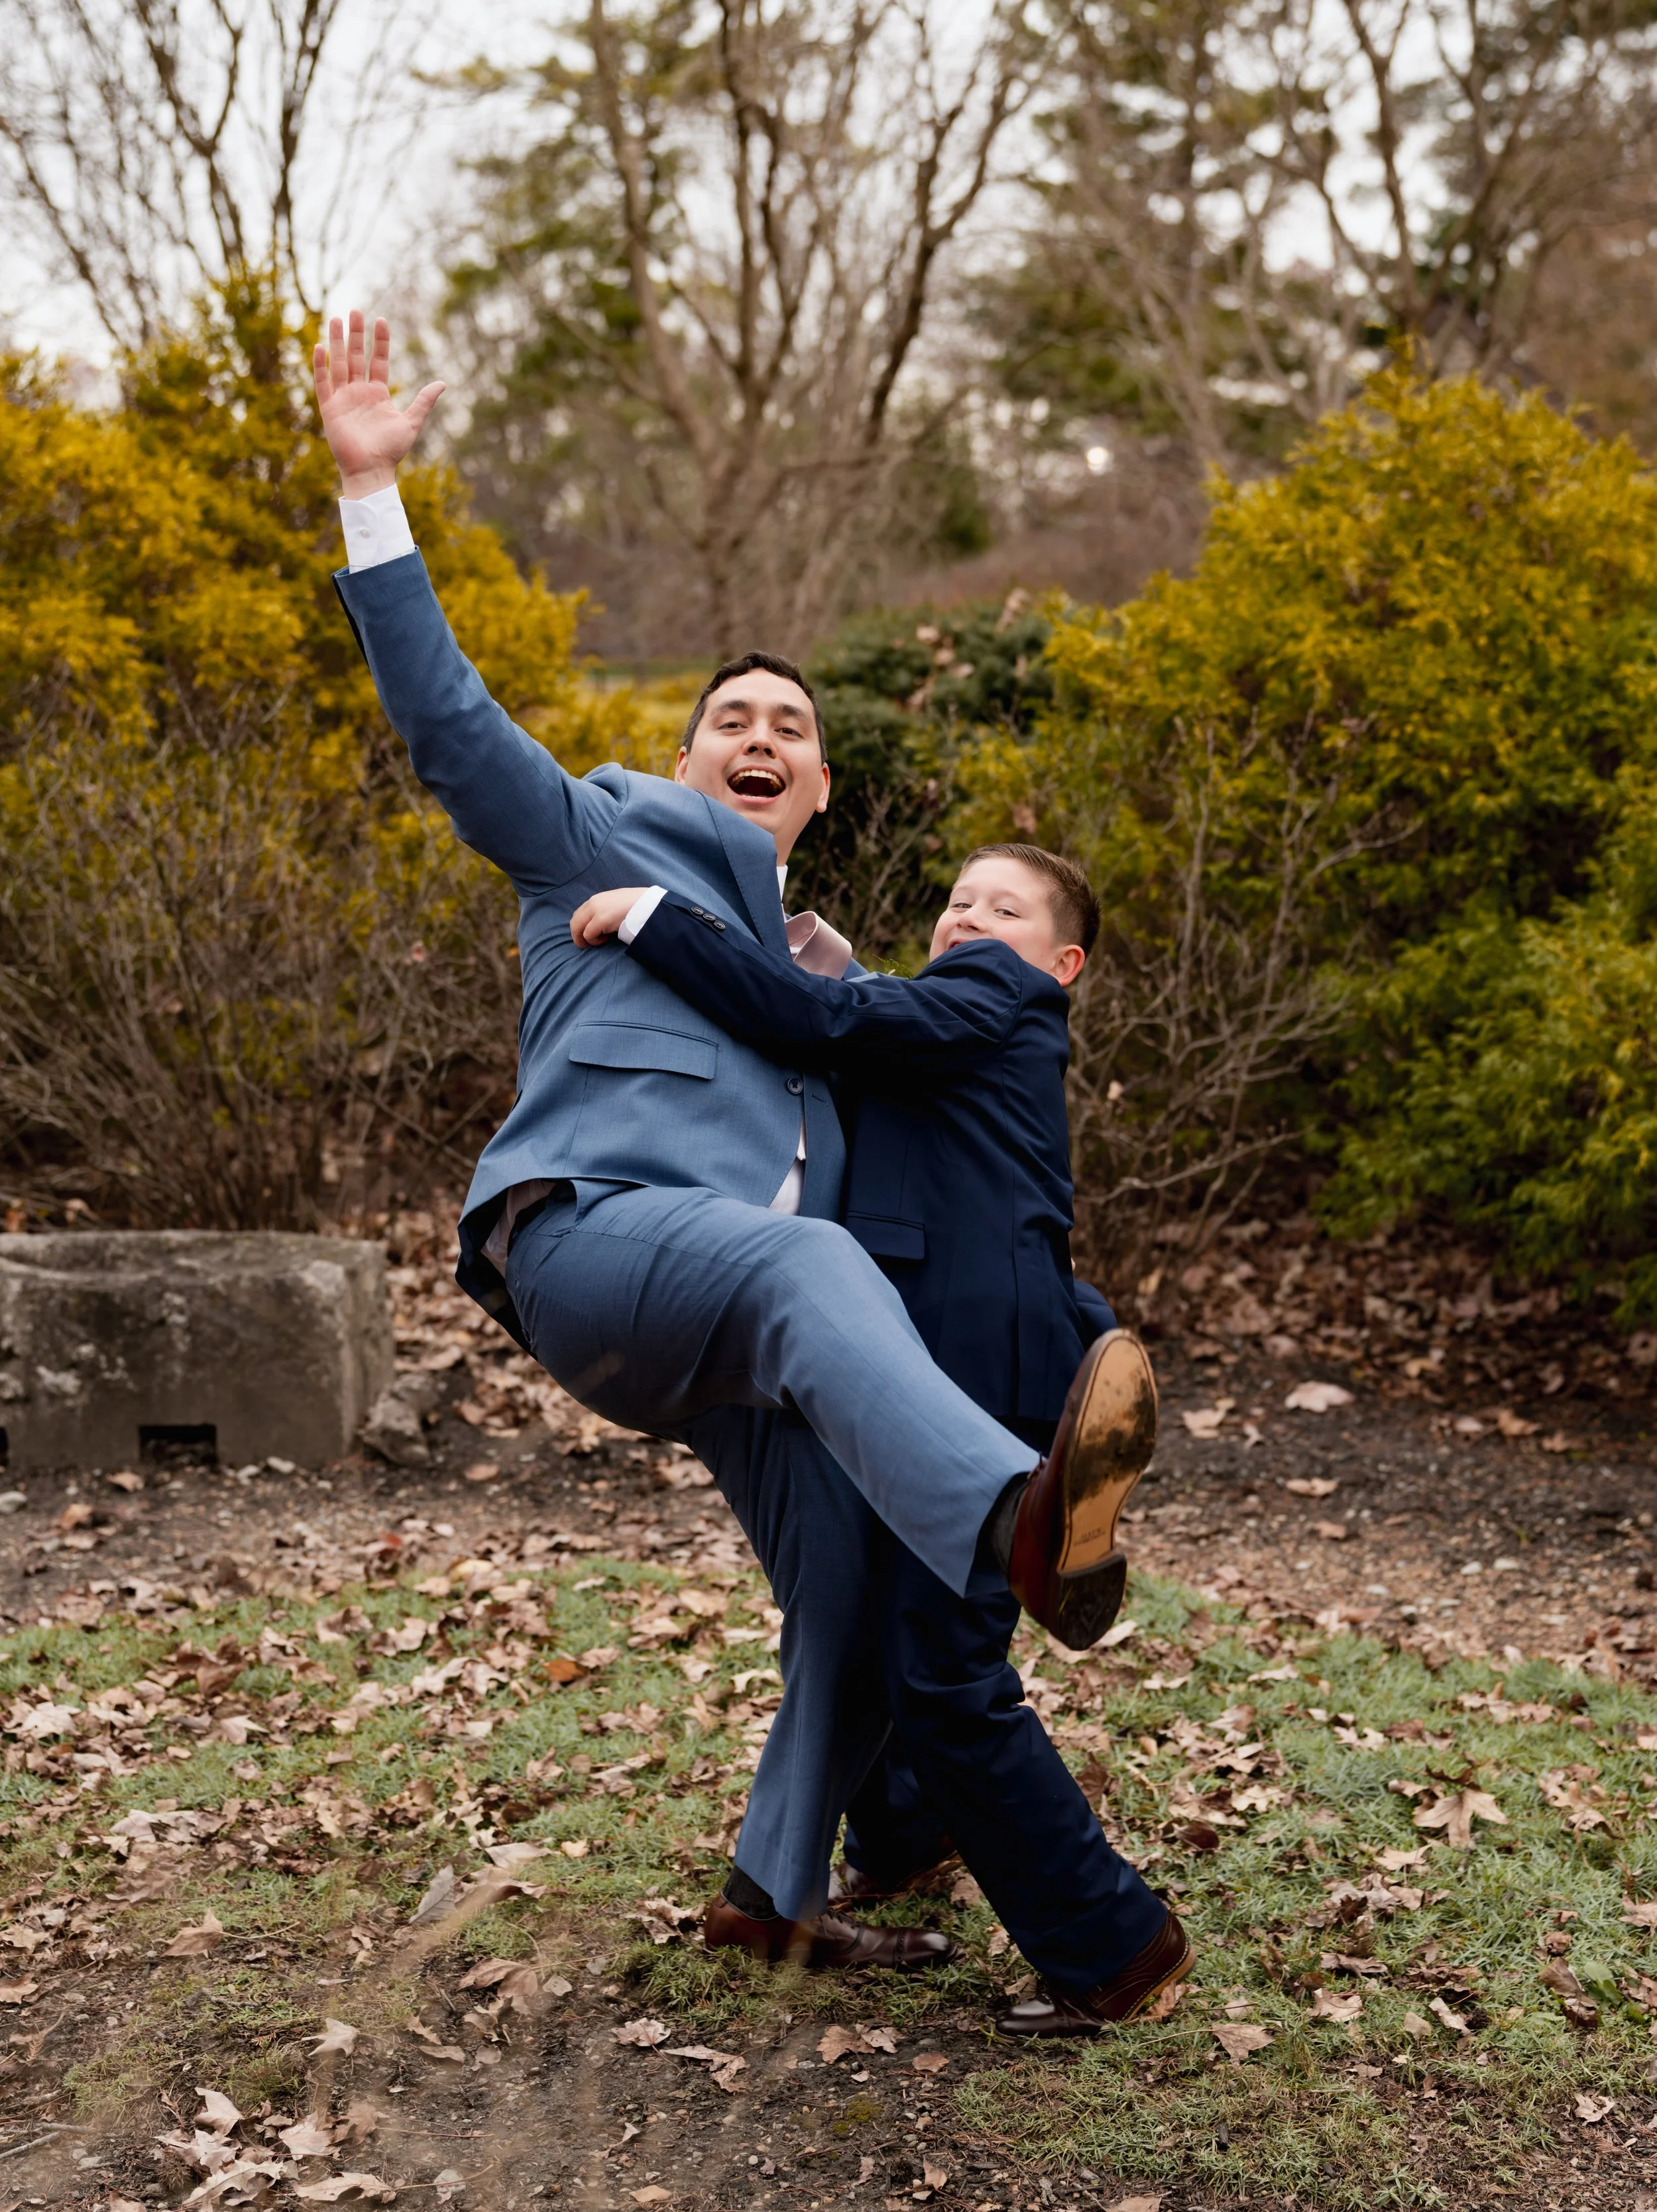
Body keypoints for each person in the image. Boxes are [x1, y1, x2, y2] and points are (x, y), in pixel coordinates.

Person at [315, 313, 1147, 1721]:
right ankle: (1018, 1520)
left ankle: (807, 1876)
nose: (761, 738)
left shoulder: (839, 986)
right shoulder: (596, 839)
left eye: (790, 728)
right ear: (682, 760)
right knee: (806, 1269)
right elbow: (452, 728)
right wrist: (369, 493)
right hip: (596, 1245)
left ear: (818, 788)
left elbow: (968, 1157)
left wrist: (1065, 1335)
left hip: (740, 1325)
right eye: (732, 721)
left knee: (837, 1569)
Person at [568, 844, 1189, 2033]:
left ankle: (1115, 1946)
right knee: (890, 1623)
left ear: (1059, 963)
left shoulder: (996, 995)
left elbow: (822, 1019)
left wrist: (658, 918)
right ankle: (903, 1836)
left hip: (970, 1360)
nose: (968, 916)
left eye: (1003, 909)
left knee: (946, 1674)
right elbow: (850, 1028)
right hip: (945, 1346)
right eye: (957, 898)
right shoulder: (952, 1014)